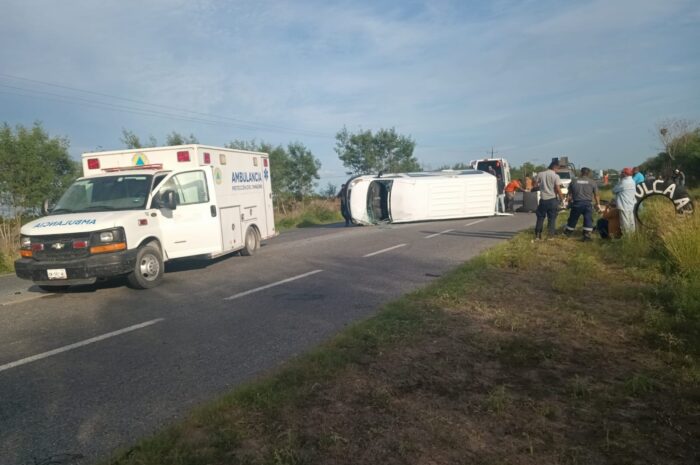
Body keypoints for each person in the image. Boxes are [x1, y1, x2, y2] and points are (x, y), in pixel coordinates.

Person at [563, 167, 600, 241]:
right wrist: (597, 204)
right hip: (587, 204)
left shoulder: (574, 181)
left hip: (577, 203)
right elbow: (596, 195)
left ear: (581, 172)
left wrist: (566, 202)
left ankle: (568, 233)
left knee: (573, 218)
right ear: (589, 173)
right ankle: (586, 235)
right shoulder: (592, 182)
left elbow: (569, 194)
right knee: (588, 219)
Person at [533, 159, 564, 240]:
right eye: (558, 169)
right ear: (555, 167)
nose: (557, 171)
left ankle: (538, 235)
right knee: (552, 218)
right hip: (552, 200)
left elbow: (535, 184)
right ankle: (550, 236)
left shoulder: (540, 174)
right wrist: (562, 199)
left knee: (540, 217)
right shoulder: (555, 176)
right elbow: (558, 189)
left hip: (543, 199)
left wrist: (540, 186)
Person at [612, 167, 636, 234]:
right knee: (631, 221)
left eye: (622, 172)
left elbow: (613, 190)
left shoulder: (623, 182)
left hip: (624, 204)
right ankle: (632, 235)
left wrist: (620, 180)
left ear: (625, 174)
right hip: (630, 203)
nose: (620, 173)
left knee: (625, 222)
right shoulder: (632, 181)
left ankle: (627, 237)